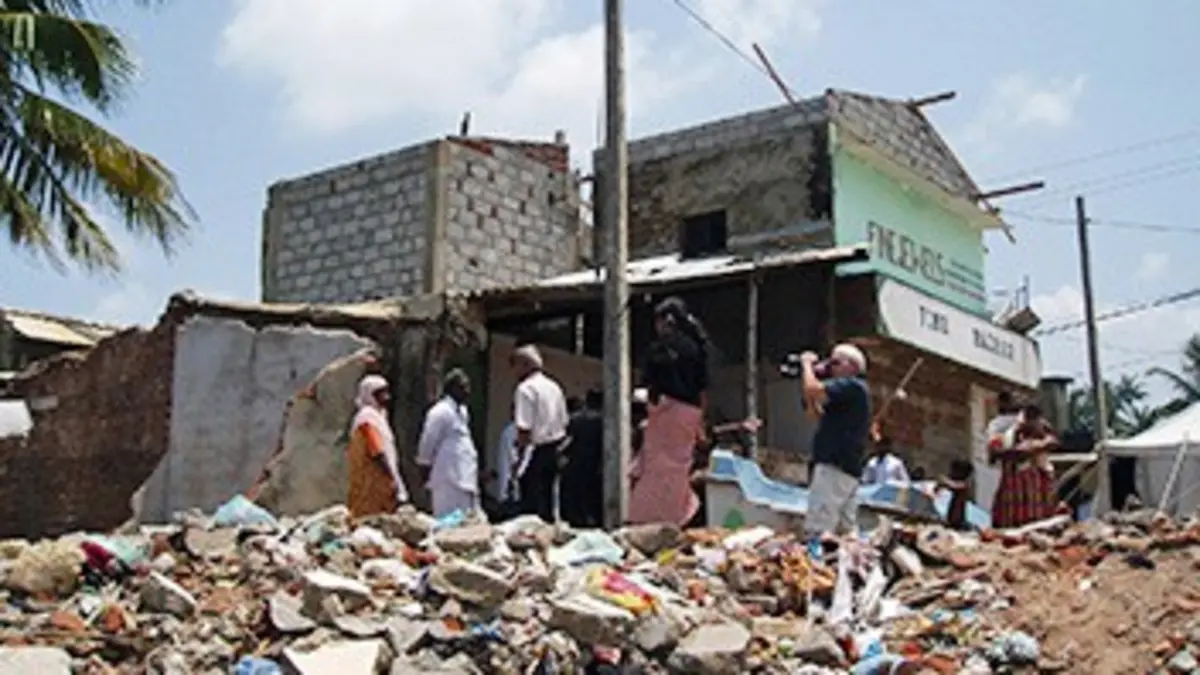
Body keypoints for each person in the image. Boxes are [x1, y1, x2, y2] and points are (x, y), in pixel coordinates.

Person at [628, 297, 711, 526]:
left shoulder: (657, 350)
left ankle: (649, 519)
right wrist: (700, 423)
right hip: (689, 416)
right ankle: (678, 518)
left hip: (665, 415)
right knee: (678, 471)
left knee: (655, 471)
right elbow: (702, 390)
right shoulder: (697, 348)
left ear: (664, 321)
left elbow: (647, 387)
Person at [799, 343, 871, 541]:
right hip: (847, 468)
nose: (831, 368)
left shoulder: (853, 386)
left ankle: (816, 557)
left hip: (834, 464)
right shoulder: (848, 396)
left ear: (852, 366)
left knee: (818, 527)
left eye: (836, 363)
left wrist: (806, 364)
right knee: (845, 531)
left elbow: (814, 389)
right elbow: (814, 413)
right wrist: (810, 382)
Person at [510, 345, 569, 522]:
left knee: (530, 508)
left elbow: (524, 429)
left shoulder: (525, 389)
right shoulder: (554, 387)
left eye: (514, 364)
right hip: (555, 449)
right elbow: (564, 421)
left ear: (524, 365)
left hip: (535, 451)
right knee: (548, 504)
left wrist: (518, 459)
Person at [416, 369, 480, 518]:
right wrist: (424, 469)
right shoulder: (440, 412)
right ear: (452, 388)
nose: (468, 391)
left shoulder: (462, 412)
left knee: (466, 521)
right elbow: (428, 442)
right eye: (463, 387)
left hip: (465, 477)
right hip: (447, 480)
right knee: (448, 520)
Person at [347, 375, 409, 519]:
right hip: (374, 478)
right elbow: (377, 451)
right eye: (381, 393)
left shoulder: (379, 416)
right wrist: (390, 476)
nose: (386, 397)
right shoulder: (367, 418)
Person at [989, 403, 1061, 528]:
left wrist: (1035, 445)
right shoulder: (1004, 435)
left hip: (1038, 508)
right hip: (1011, 508)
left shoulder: (1044, 440)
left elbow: (1053, 442)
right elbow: (996, 453)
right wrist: (1025, 447)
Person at [560, 388, 604, 528]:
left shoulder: (575, 419)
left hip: (576, 465)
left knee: (575, 504)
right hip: (597, 467)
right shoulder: (606, 421)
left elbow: (566, 441)